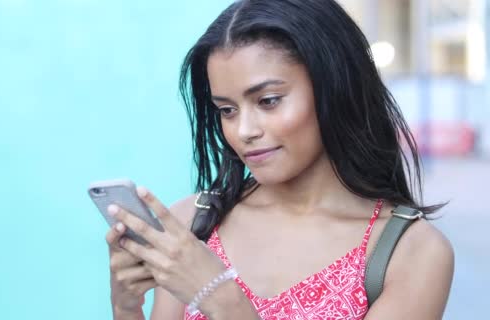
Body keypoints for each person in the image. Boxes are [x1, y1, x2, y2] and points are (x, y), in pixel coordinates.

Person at [104, 0, 454, 319]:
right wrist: (126, 306)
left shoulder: (408, 253)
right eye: (227, 110)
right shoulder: (193, 225)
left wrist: (222, 300)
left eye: (268, 100)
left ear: (333, 87)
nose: (243, 130)